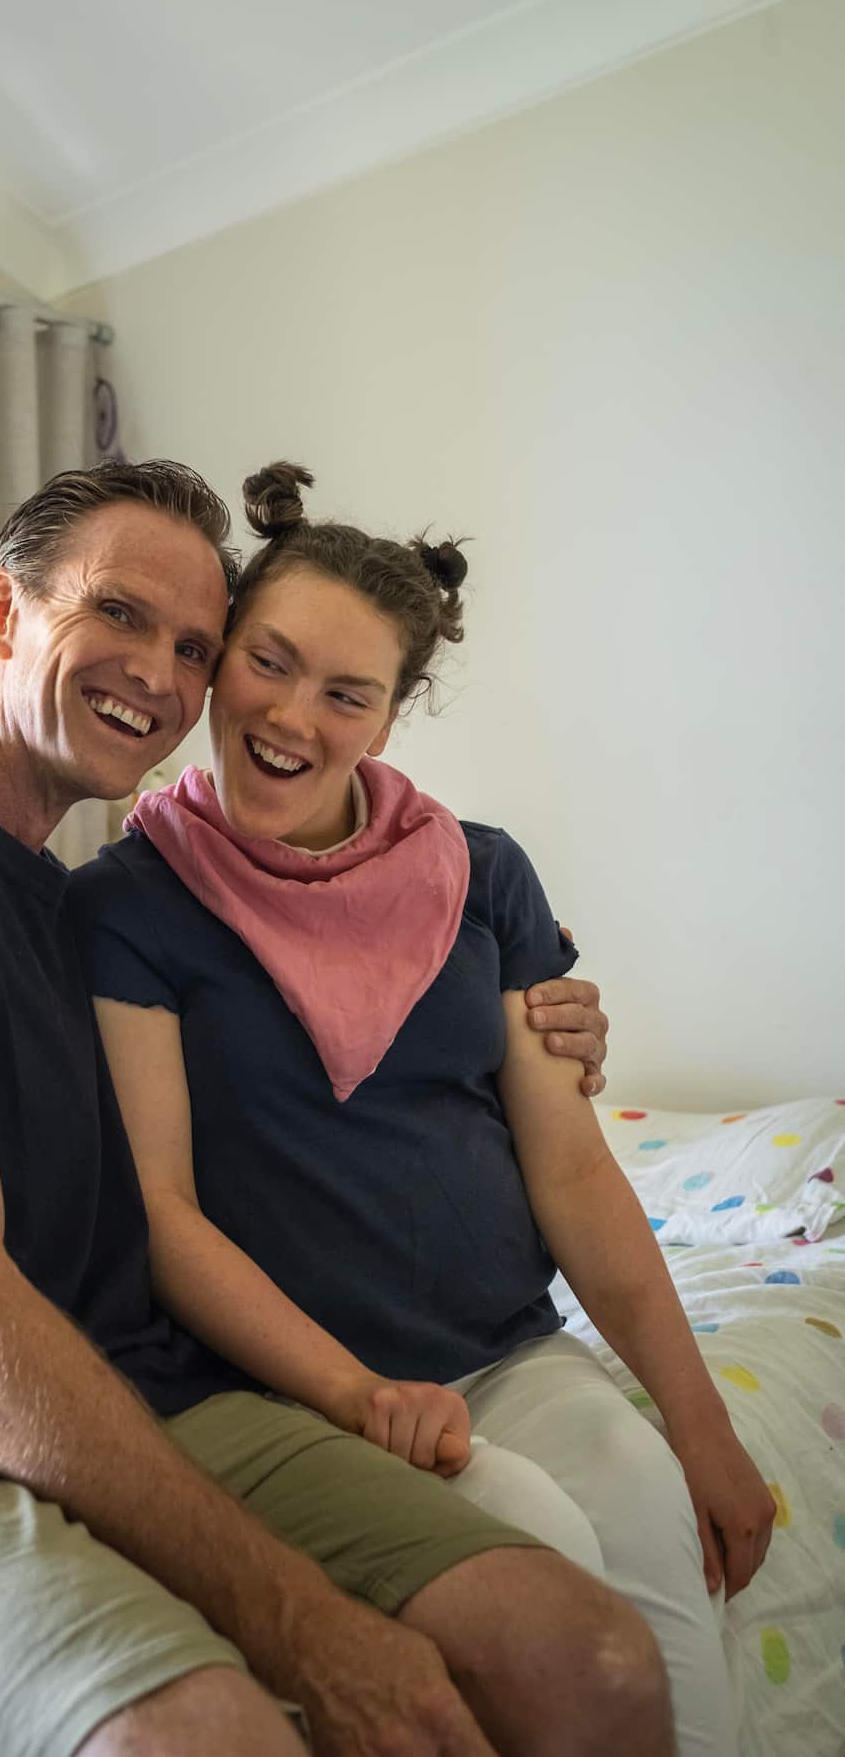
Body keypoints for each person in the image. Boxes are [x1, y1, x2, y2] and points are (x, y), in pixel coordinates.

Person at [0, 459, 669, 1757]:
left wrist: (546, 1001)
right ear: (2, 612)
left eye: (194, 646)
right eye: (117, 613)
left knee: (589, 1661)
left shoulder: (80, 903)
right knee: (204, 1737)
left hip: (128, 1388)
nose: (159, 672)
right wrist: (301, 1621)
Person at [70, 462, 776, 1757]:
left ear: (391, 719)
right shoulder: (130, 907)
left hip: (507, 1347)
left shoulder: (481, 874)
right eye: (268, 664)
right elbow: (163, 1213)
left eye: (349, 693)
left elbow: (571, 1171)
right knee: (547, 1557)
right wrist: (354, 1397)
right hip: (306, 1386)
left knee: (656, 1523)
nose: (294, 716)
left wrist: (703, 1423)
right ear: (222, 662)